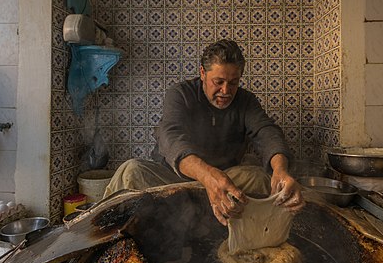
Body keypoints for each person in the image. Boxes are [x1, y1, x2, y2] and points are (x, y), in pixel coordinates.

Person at [103, 39, 304, 225]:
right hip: (174, 181)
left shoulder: (246, 101)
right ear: (202, 73)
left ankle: (264, 235)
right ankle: (108, 236)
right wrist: (207, 176)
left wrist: (280, 170)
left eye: (233, 83)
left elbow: (266, 131)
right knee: (131, 170)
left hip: (224, 180)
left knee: (259, 177)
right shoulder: (180, 94)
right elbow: (171, 136)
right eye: (219, 82)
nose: (226, 91)